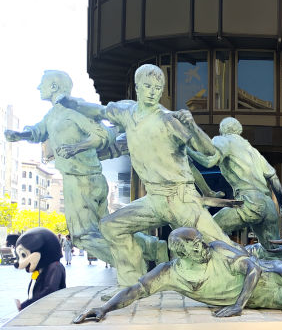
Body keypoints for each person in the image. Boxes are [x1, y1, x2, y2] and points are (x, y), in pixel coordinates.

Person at [58, 64, 234, 287]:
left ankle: (257, 277)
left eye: (157, 88)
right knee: (112, 226)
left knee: (223, 247)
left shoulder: (169, 120)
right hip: (154, 199)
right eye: (148, 86)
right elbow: (99, 111)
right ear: (137, 87)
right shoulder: (127, 112)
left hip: (181, 199)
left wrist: (193, 126)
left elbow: (209, 152)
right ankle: (132, 285)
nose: (152, 92)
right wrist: (70, 102)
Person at [4, 70, 167, 268]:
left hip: (80, 181)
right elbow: (38, 131)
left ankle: (131, 264)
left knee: (83, 236)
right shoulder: (53, 115)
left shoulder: (73, 110)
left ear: (54, 87)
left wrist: (76, 148)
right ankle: (152, 248)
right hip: (90, 180)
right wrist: (20, 135)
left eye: (43, 83)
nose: (39, 87)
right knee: (107, 229)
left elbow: (104, 135)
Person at [73, 228, 282, 323]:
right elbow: (137, 289)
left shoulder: (218, 250)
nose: (201, 247)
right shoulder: (171, 273)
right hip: (262, 298)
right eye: (194, 246)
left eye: (200, 242)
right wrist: (105, 308)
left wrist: (239, 305)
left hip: (267, 277)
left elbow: (252, 268)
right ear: (181, 252)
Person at [180, 115, 282, 248]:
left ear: (222, 130)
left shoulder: (223, 140)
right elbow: (273, 178)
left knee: (207, 230)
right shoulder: (253, 151)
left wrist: (187, 150)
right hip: (269, 205)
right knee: (274, 251)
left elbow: (208, 161)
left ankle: (229, 256)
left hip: (249, 203)